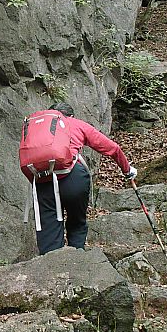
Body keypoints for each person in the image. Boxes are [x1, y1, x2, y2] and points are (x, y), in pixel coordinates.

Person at [33, 102, 136, 255]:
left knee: (49, 228)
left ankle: (52, 269)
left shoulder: (39, 127)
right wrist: (127, 170)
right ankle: (77, 261)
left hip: (43, 178)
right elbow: (113, 148)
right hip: (73, 177)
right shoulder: (76, 124)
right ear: (71, 116)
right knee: (76, 222)